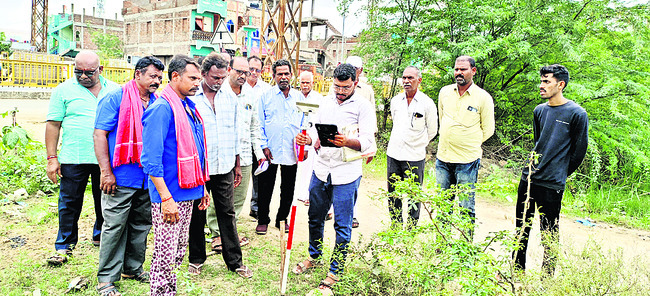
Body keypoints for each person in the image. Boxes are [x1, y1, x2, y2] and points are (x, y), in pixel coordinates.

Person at [293, 63, 377, 293]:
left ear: (355, 83)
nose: (340, 92)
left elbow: (369, 141)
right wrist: (308, 140)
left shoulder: (363, 107)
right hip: (321, 169)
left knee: (342, 224)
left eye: (345, 87)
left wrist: (348, 142)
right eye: (337, 87)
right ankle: (315, 255)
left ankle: (336, 270)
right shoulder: (325, 101)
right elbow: (313, 131)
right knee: (314, 217)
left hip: (346, 173)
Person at [141, 55, 212, 296]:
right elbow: (150, 160)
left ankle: (168, 292)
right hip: (169, 195)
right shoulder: (162, 108)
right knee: (165, 253)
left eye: (199, 79)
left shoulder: (187, 106)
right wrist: (166, 199)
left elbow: (197, 150)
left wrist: (202, 188)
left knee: (179, 250)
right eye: (192, 78)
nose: (197, 84)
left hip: (187, 192)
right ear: (175, 76)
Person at [93, 56, 164, 295]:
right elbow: (99, 135)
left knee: (142, 225)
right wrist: (106, 172)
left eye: (159, 76)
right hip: (120, 176)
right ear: (138, 75)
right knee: (114, 226)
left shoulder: (156, 101)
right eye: (153, 76)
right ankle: (106, 279)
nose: (157, 80)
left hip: (148, 178)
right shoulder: (116, 97)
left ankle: (132, 268)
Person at [45, 50, 120, 266]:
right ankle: (64, 245)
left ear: (101, 70)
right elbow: (53, 124)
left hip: (105, 158)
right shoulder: (63, 90)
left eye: (89, 72)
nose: (84, 76)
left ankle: (100, 236)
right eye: (79, 71)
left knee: (105, 201)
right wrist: (52, 158)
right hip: (73, 156)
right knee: (69, 203)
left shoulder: (115, 90)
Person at [514, 64, 588, 276]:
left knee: (549, 232)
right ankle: (517, 274)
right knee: (521, 230)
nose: (541, 85)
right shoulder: (539, 110)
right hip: (529, 180)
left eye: (547, 81)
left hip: (552, 184)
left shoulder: (577, 113)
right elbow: (539, 142)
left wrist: (560, 172)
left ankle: (547, 278)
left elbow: (579, 151)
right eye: (542, 81)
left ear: (560, 84)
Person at [186, 55, 253, 278]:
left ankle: (235, 261)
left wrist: (236, 164)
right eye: (215, 77)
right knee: (197, 213)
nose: (219, 81)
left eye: (223, 77)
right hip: (199, 167)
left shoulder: (230, 97)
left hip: (224, 165)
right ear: (204, 74)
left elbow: (235, 132)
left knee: (227, 212)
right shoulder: (191, 98)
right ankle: (196, 259)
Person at [436, 55, 495, 230]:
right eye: (456, 69)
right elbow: (442, 119)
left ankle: (464, 251)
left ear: (473, 71)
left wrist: (469, 142)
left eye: (463, 69)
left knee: (466, 207)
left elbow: (488, 130)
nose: (458, 73)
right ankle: (441, 246)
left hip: (467, 161)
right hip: (443, 159)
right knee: (442, 205)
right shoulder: (445, 92)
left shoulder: (483, 98)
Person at [256, 59, 304, 235]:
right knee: (265, 187)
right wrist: (264, 145)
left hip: (291, 151)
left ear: (292, 75)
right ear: (274, 76)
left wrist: (303, 146)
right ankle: (262, 220)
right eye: (279, 74)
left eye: (286, 73)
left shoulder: (300, 98)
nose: (283, 77)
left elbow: (306, 122)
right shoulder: (266, 97)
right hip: (271, 150)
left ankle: (282, 219)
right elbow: (259, 123)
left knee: (288, 188)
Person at [386, 66, 438, 227]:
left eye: (410, 78)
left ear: (419, 80)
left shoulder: (427, 103)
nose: (406, 81)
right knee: (393, 192)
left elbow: (432, 130)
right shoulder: (395, 101)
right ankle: (395, 225)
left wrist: (418, 143)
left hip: (415, 156)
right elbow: (396, 123)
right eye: (404, 78)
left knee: (414, 194)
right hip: (394, 153)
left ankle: (411, 228)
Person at [243, 55, 271, 220]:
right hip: (242, 140)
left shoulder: (266, 89)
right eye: (251, 69)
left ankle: (256, 207)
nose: (253, 72)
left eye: (257, 70)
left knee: (260, 175)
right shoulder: (238, 87)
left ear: (262, 71)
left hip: (259, 139)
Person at [295, 71, 323, 206]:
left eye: (307, 82)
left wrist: (315, 140)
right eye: (303, 82)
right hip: (297, 136)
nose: (305, 85)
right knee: (298, 167)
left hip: (312, 136)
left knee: (311, 166)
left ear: (312, 83)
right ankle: (298, 194)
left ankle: (308, 195)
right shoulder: (295, 96)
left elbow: (321, 120)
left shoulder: (318, 99)